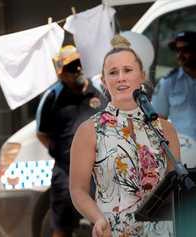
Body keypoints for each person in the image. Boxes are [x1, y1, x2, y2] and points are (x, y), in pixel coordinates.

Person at [70, 35, 180, 237]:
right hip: (114, 232)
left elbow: (176, 187)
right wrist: (98, 218)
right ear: (104, 81)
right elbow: (77, 189)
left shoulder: (166, 129)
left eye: (128, 70)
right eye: (113, 73)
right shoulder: (89, 131)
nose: (121, 77)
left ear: (142, 76)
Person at [36, 45, 106, 237]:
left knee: (105, 223)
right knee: (61, 227)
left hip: (100, 171)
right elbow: (41, 133)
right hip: (66, 172)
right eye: (70, 67)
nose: (77, 69)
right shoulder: (52, 97)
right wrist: (59, 152)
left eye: (78, 64)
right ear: (60, 74)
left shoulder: (99, 90)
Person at [152, 31, 196, 140]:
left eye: (185, 50)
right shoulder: (168, 83)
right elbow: (158, 121)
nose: (180, 55)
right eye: (177, 50)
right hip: (183, 151)